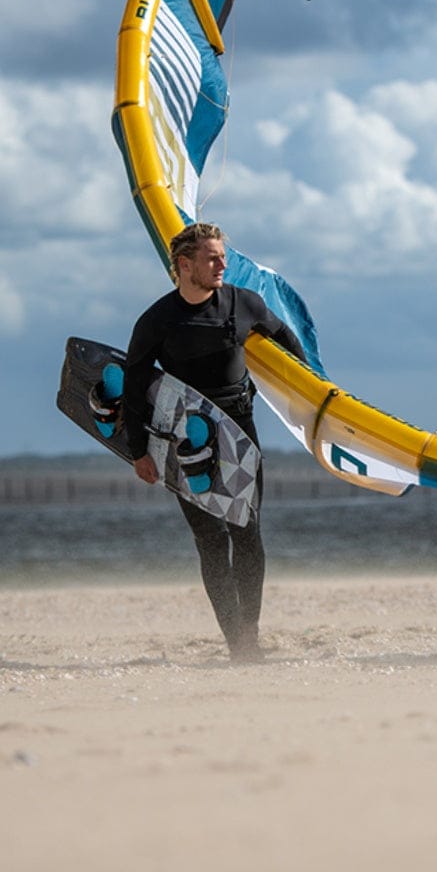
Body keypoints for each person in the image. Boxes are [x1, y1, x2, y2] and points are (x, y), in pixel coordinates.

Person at [123, 222, 307, 663]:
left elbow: (287, 339)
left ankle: (250, 633)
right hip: (187, 437)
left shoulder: (244, 303)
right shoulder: (157, 320)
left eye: (222, 255)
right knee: (210, 539)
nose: (222, 263)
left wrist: (310, 393)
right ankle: (234, 642)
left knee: (248, 532)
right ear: (185, 265)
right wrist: (138, 451)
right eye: (212, 258)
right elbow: (133, 385)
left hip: (240, 431)